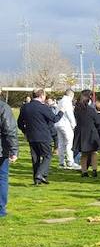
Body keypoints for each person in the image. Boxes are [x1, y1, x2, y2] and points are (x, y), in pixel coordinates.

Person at [17, 89, 63, 186]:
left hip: (31, 136)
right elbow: (54, 119)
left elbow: (20, 123)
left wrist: (25, 132)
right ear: (42, 95)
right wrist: (61, 112)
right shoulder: (43, 107)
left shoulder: (25, 107)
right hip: (43, 136)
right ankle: (40, 174)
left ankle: (38, 179)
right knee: (47, 156)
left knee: (35, 158)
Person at [73, 90, 100, 178]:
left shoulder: (77, 110)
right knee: (94, 152)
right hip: (91, 132)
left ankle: (84, 171)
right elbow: (97, 122)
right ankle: (94, 170)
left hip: (81, 132)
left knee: (84, 154)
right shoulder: (91, 110)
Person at [0, 89, 19, 217]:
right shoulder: (3, 107)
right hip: (1, 149)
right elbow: (9, 129)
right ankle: (0, 208)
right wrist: (14, 150)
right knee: (2, 177)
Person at [53, 89, 78, 170]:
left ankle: (61, 162)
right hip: (65, 124)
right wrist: (74, 125)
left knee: (61, 143)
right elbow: (70, 114)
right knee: (69, 143)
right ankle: (70, 162)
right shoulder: (67, 102)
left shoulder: (60, 101)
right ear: (71, 95)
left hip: (58, 124)